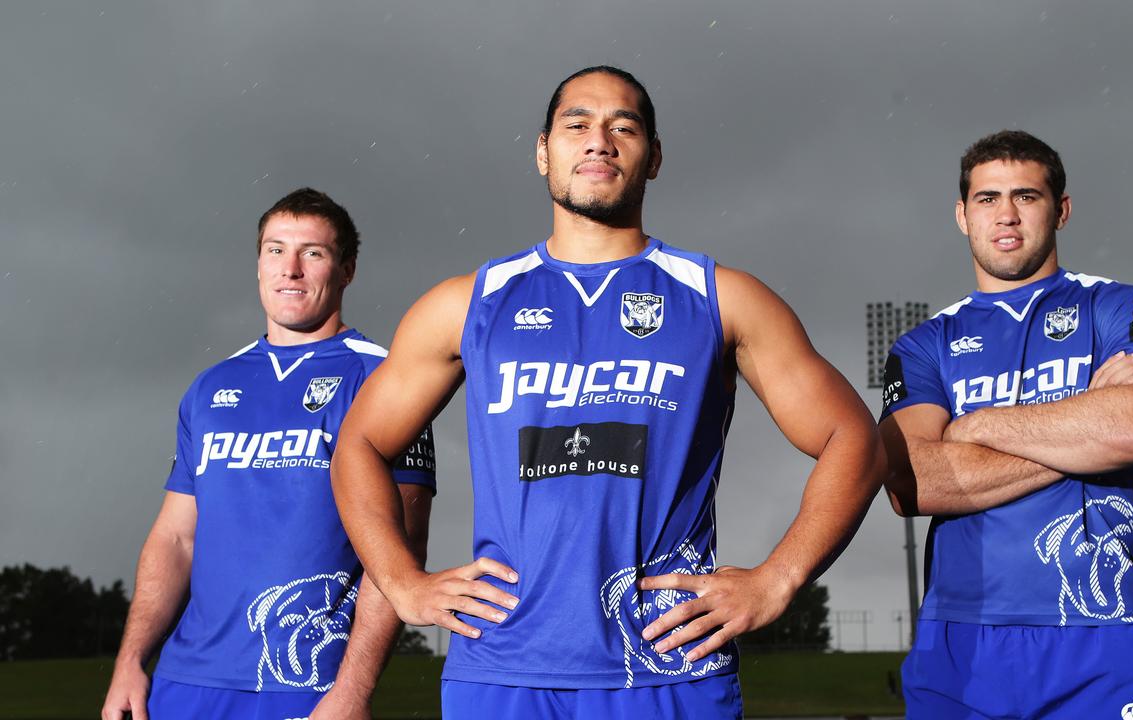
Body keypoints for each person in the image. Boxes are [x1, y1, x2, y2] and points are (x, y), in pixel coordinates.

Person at [331, 65, 886, 719]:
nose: (599, 140)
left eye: (623, 126)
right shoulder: (467, 304)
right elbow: (359, 445)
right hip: (503, 672)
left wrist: (779, 577)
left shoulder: (721, 298)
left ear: (653, 158)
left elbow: (855, 439)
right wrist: (403, 585)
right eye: (577, 125)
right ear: (543, 151)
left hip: (666, 668)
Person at [879, 130, 1133, 719]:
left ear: (1062, 209)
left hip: (1106, 627)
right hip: (962, 640)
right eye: (987, 199)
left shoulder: (1124, 307)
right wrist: (1083, 430)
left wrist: (971, 428)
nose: (1007, 215)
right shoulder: (923, 347)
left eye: (1026, 196)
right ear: (961, 215)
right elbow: (911, 482)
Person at [101, 188, 435, 720]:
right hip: (185, 682)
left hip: (305, 680)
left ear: (347, 270)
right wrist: (130, 661)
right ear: (258, 263)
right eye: (275, 250)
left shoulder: (383, 379)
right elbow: (175, 537)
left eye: (314, 253)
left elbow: (403, 544)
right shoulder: (212, 387)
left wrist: (352, 693)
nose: (291, 269)